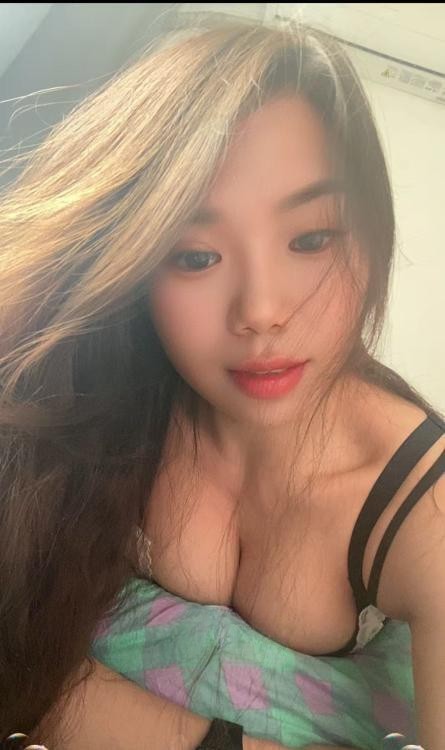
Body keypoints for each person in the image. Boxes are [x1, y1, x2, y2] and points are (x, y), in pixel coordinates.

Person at [0, 15, 442, 750]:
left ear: (372, 237)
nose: (261, 311)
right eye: (195, 256)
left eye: (311, 239)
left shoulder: (424, 505)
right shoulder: (97, 388)